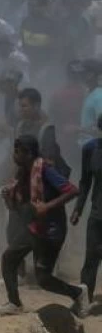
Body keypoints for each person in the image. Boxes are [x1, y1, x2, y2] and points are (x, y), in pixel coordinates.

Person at [0, 134, 89, 318]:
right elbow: (20, 206)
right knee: (8, 258)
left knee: (43, 279)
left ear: (28, 154)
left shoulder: (44, 169)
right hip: (34, 228)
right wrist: (8, 196)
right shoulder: (23, 173)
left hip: (51, 231)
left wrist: (47, 206)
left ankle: (77, 293)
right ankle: (14, 303)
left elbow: (72, 190)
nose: (14, 155)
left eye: (17, 151)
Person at [73, 115, 102, 303]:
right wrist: (78, 208)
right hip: (97, 214)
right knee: (91, 258)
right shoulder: (91, 149)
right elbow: (85, 182)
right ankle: (84, 301)